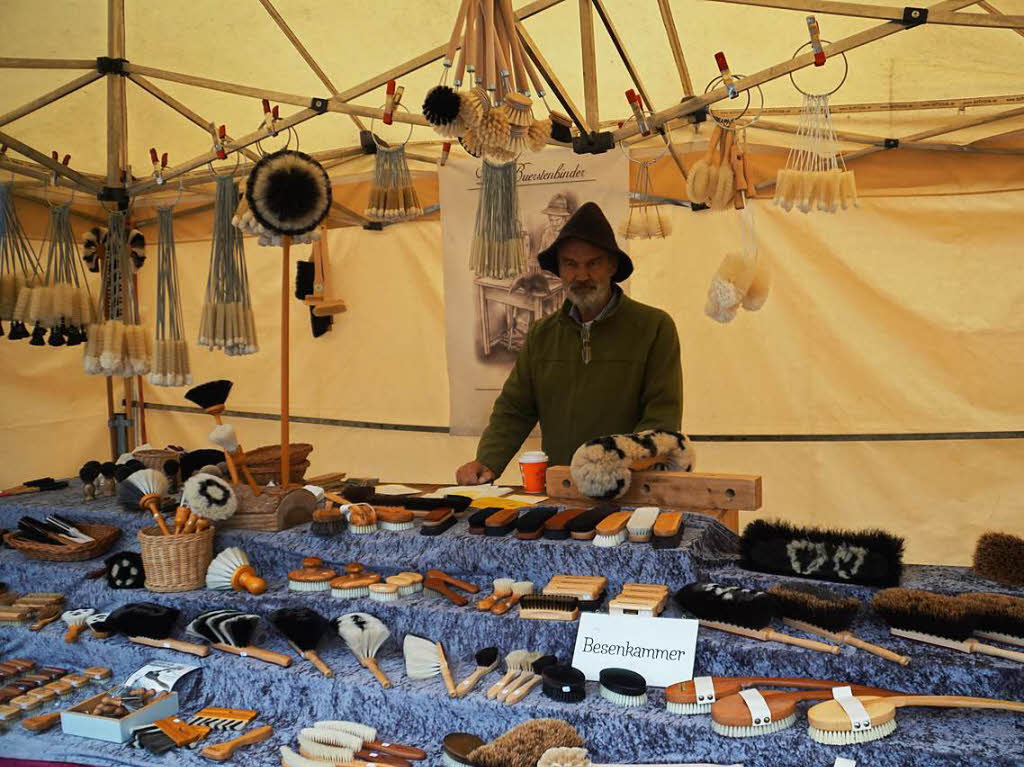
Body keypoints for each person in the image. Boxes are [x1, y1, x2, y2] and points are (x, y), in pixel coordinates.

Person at [456, 201, 683, 485]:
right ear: (560, 270)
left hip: (633, 489)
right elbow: (515, 409)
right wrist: (487, 460)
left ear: (612, 265)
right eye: (571, 264)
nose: (582, 275)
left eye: (593, 263)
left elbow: (661, 420)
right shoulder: (542, 335)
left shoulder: (653, 328)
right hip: (562, 488)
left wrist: (613, 469)